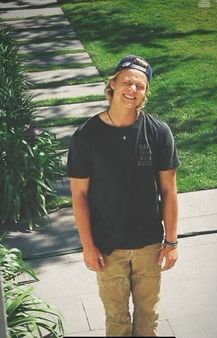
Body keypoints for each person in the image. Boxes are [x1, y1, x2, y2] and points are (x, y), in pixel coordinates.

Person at [67, 55, 180, 337]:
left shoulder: (158, 132)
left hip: (149, 246)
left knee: (147, 320)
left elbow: (169, 190)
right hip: (108, 247)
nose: (132, 90)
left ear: (145, 92)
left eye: (140, 86)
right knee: (116, 322)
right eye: (127, 82)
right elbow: (79, 195)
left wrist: (172, 240)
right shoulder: (86, 136)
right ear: (113, 84)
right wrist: (88, 245)